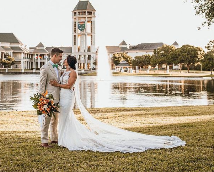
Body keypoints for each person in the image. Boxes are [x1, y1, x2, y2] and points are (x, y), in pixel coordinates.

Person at [50, 55, 186, 153]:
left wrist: (57, 84)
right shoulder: (65, 71)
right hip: (63, 97)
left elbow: (68, 86)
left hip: (68, 97)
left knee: (66, 117)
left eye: (65, 59)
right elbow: (59, 78)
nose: (64, 60)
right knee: (64, 118)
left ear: (70, 62)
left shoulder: (73, 72)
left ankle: (66, 140)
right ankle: (62, 139)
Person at [39, 47, 63, 148]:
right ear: (54, 56)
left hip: (58, 97)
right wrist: (42, 99)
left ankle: (54, 138)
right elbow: (41, 84)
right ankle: (44, 140)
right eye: (60, 57)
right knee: (46, 120)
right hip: (48, 98)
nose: (61, 58)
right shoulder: (45, 68)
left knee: (55, 120)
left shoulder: (58, 68)